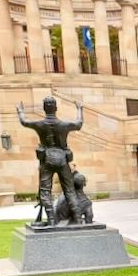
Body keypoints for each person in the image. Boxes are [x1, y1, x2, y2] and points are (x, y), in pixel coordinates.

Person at [17, 96, 83, 225]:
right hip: (62, 159)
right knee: (69, 190)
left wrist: (20, 111)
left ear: (44, 109)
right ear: (56, 108)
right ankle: (78, 218)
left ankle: (52, 220)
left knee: (45, 191)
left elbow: (24, 122)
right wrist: (80, 109)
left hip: (47, 159)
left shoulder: (39, 124)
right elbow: (79, 123)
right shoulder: (64, 125)